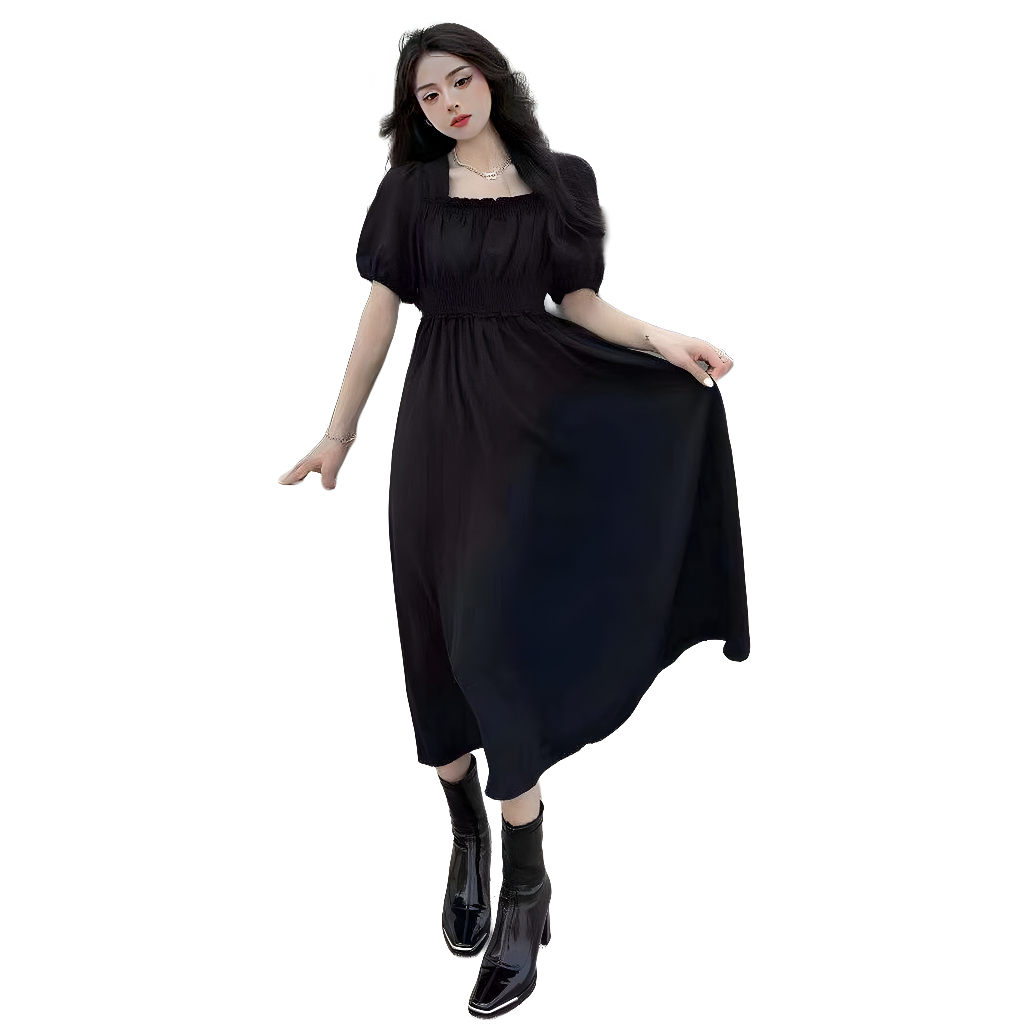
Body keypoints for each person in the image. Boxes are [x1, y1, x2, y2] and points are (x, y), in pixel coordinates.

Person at [279, 22, 749, 1019]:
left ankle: (526, 889)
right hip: (436, 427)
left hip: (529, 424)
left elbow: (579, 304)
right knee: (432, 641)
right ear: (414, 111)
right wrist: (337, 433)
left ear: (492, 78)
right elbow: (378, 317)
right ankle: (465, 834)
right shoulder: (410, 191)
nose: (450, 102)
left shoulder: (563, 181)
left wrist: (664, 341)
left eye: (461, 80)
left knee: (489, 641)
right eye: (429, 94)